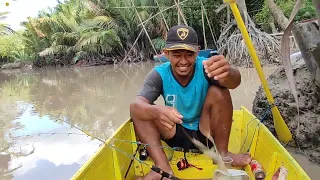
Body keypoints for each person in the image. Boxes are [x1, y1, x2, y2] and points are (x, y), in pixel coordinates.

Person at [130, 25, 252, 180]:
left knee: (220, 91)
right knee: (141, 110)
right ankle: (162, 166)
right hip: (174, 131)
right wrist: (158, 111)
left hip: (206, 132)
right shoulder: (159, 74)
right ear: (166, 54)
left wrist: (230, 73)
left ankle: (223, 153)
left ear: (197, 53)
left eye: (189, 54)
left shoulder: (207, 67)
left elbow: (234, 82)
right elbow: (136, 105)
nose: (183, 61)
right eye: (176, 54)